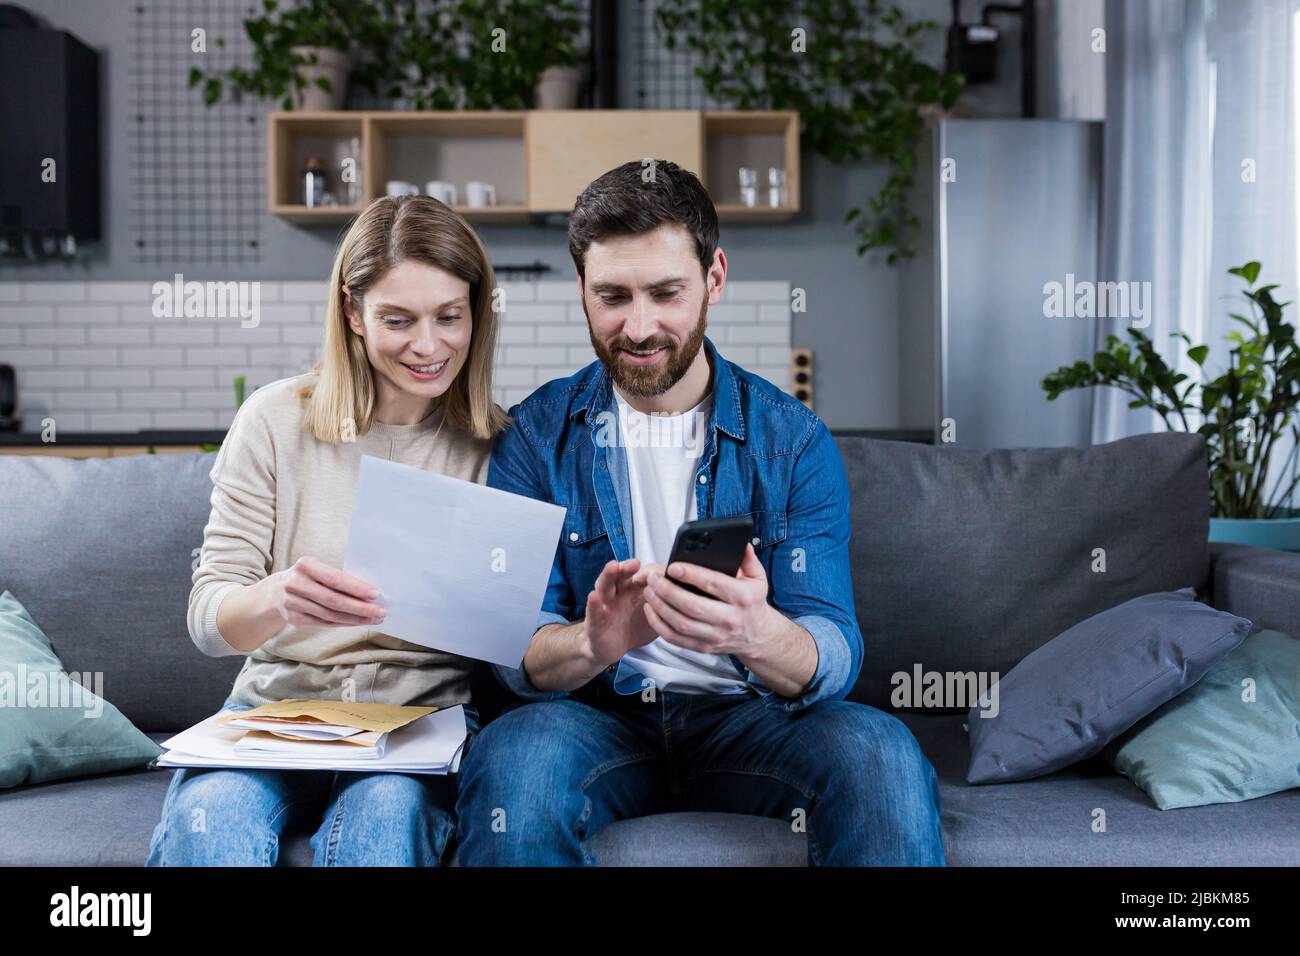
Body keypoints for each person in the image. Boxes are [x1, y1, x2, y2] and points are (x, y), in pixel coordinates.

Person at [456, 160, 945, 866]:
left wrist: (756, 632)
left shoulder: (793, 439)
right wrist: (592, 643)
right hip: (596, 721)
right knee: (515, 767)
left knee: (881, 751)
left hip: (753, 721)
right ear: (582, 291)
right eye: (612, 296)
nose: (639, 325)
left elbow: (832, 649)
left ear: (714, 277)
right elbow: (515, 652)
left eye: (665, 293)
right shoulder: (536, 436)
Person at [147, 195, 507, 866]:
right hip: (277, 717)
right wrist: (276, 598)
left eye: (448, 317)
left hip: (416, 731)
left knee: (385, 818)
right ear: (353, 313)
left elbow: (520, 634)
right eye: (397, 320)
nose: (427, 345)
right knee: (210, 818)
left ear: (477, 312)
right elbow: (207, 618)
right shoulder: (274, 421)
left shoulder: (497, 443)